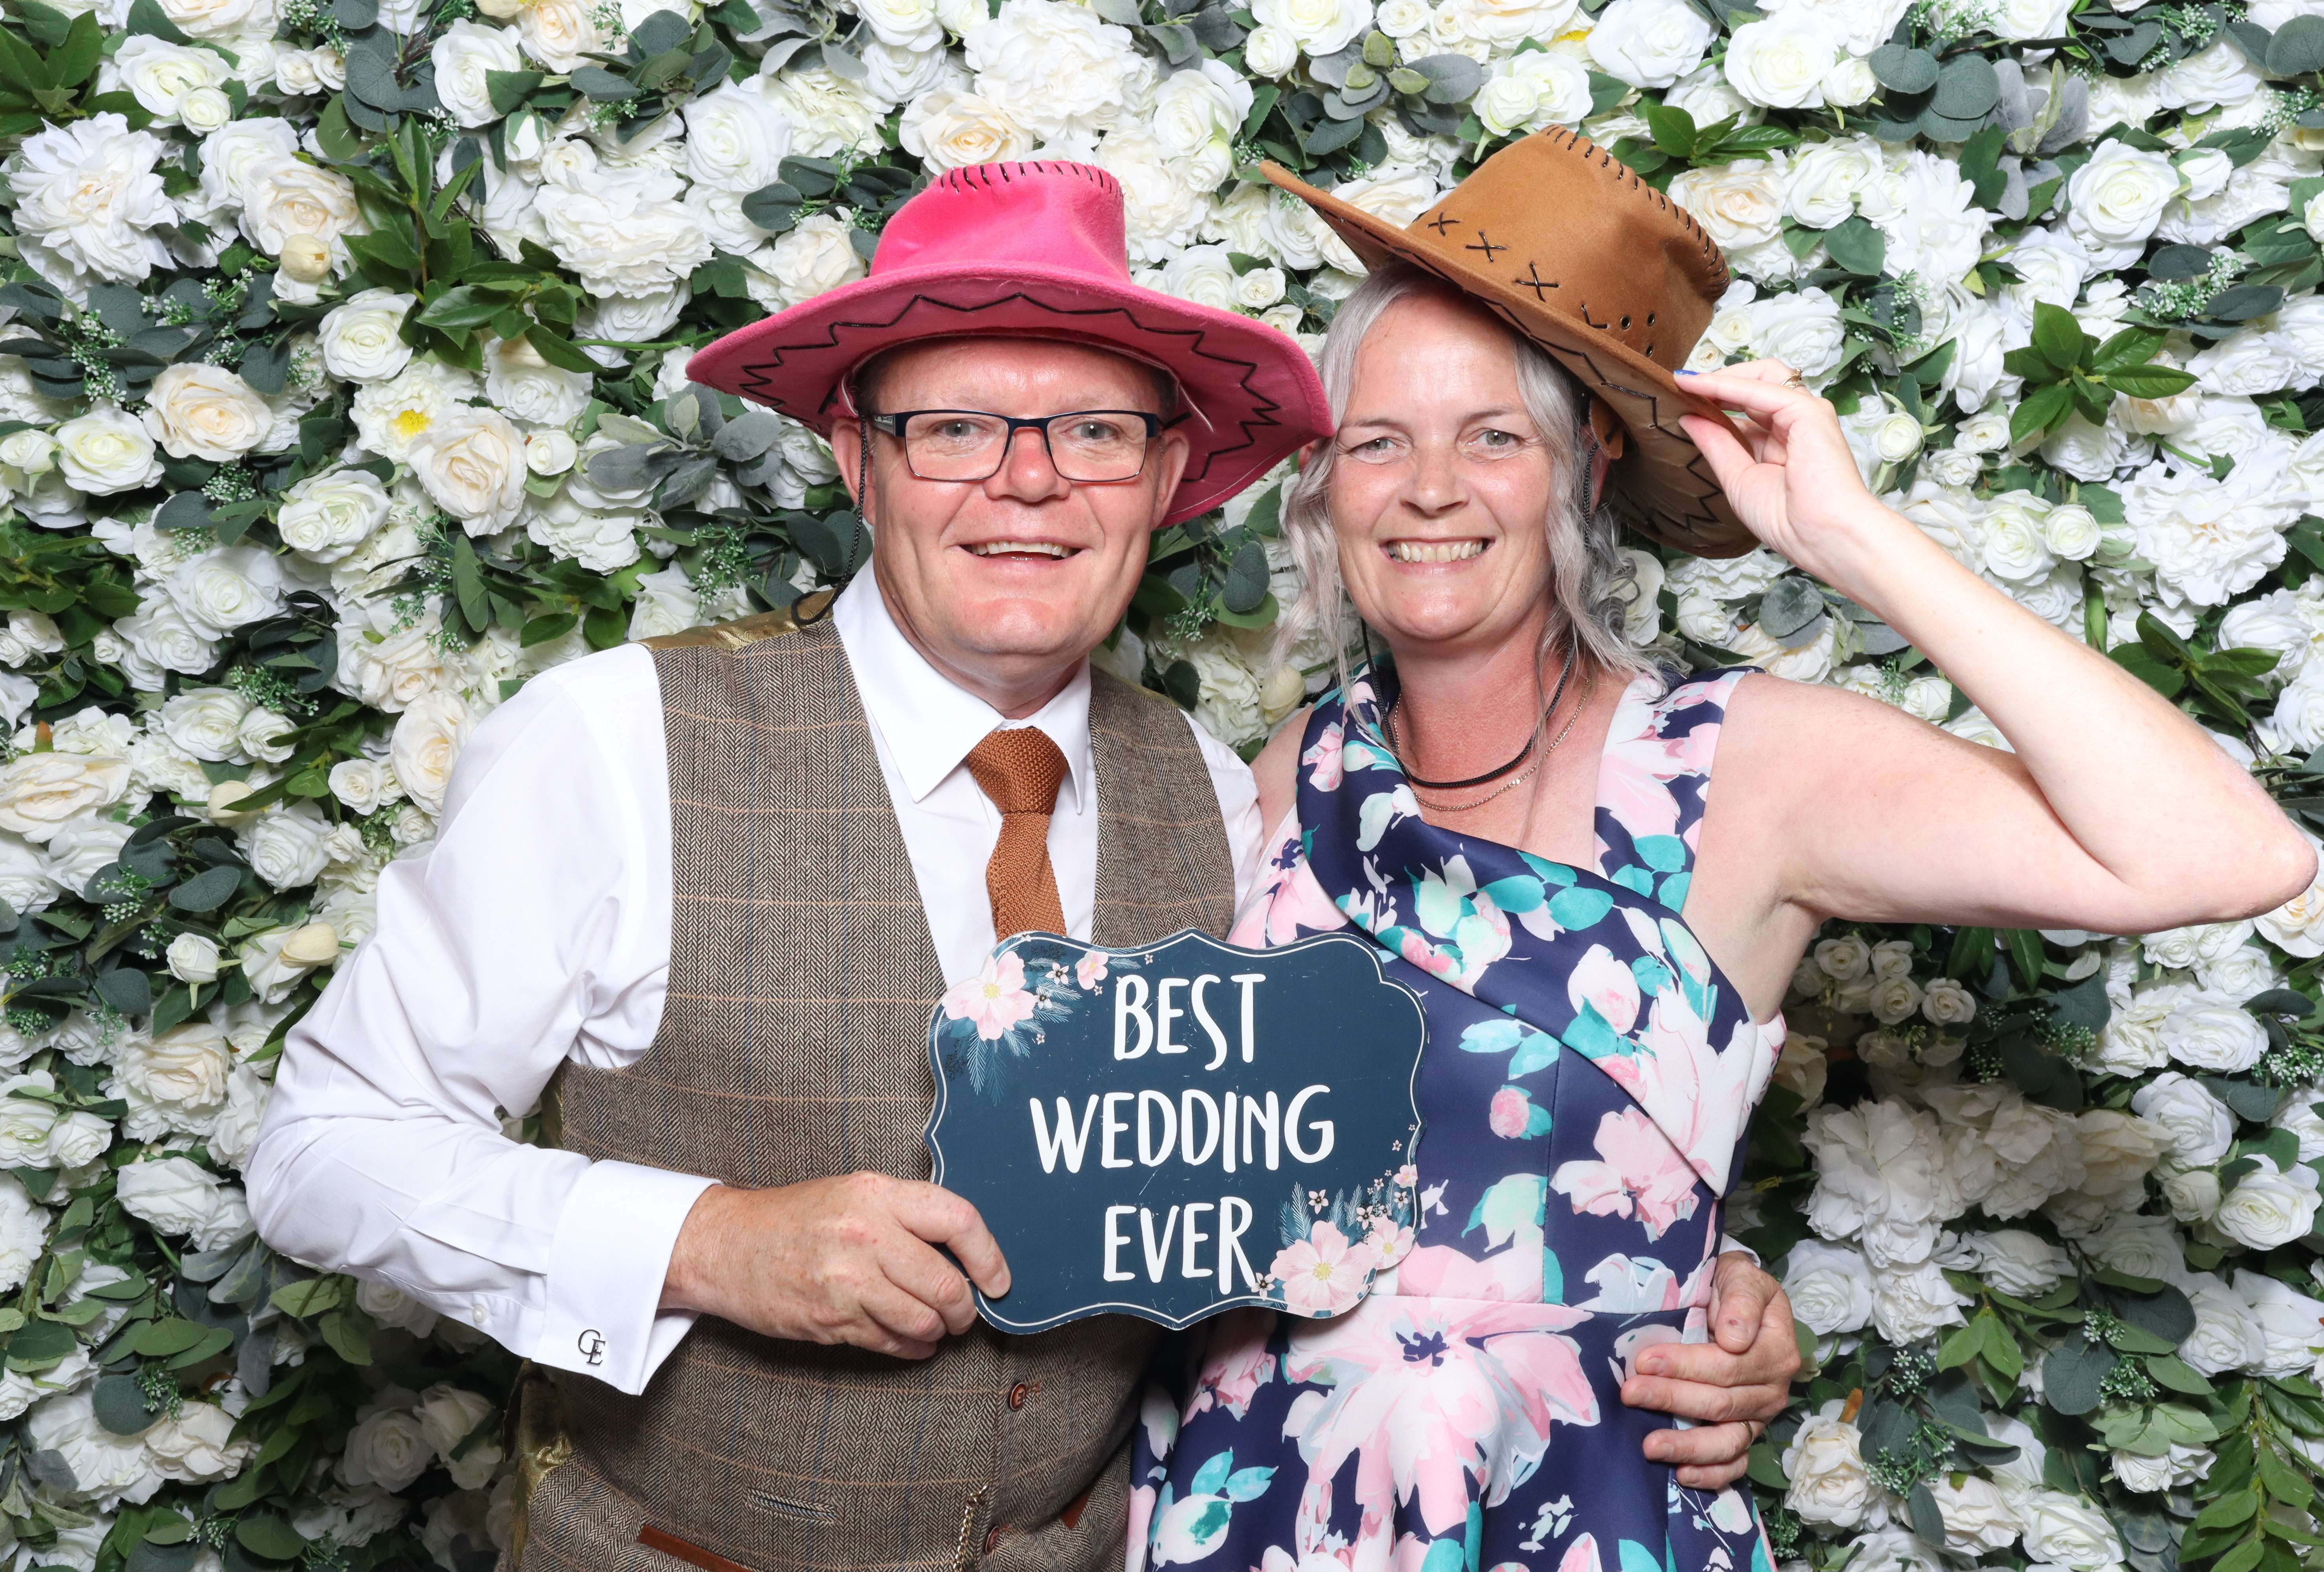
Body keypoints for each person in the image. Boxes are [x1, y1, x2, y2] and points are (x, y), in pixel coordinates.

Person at [247, 161, 1796, 1572]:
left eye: (1094, 432)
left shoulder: (1222, 795)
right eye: (958, 427)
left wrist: (1687, 1295)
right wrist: (708, 1241)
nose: (1031, 480)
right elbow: (322, 1147)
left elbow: (1373, 1164)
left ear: (1165, 474)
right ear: (858, 458)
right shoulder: (609, 741)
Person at [1131, 130, 2317, 1570]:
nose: (1429, 488)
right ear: (1327, 485)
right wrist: (1723, 1258)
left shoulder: (1743, 768)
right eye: (1380, 440)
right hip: (1256, 1502)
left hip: (1581, 1505)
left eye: (1494, 436)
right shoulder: (1283, 784)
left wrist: (1851, 537)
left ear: (1586, 468)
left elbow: (2219, 855)